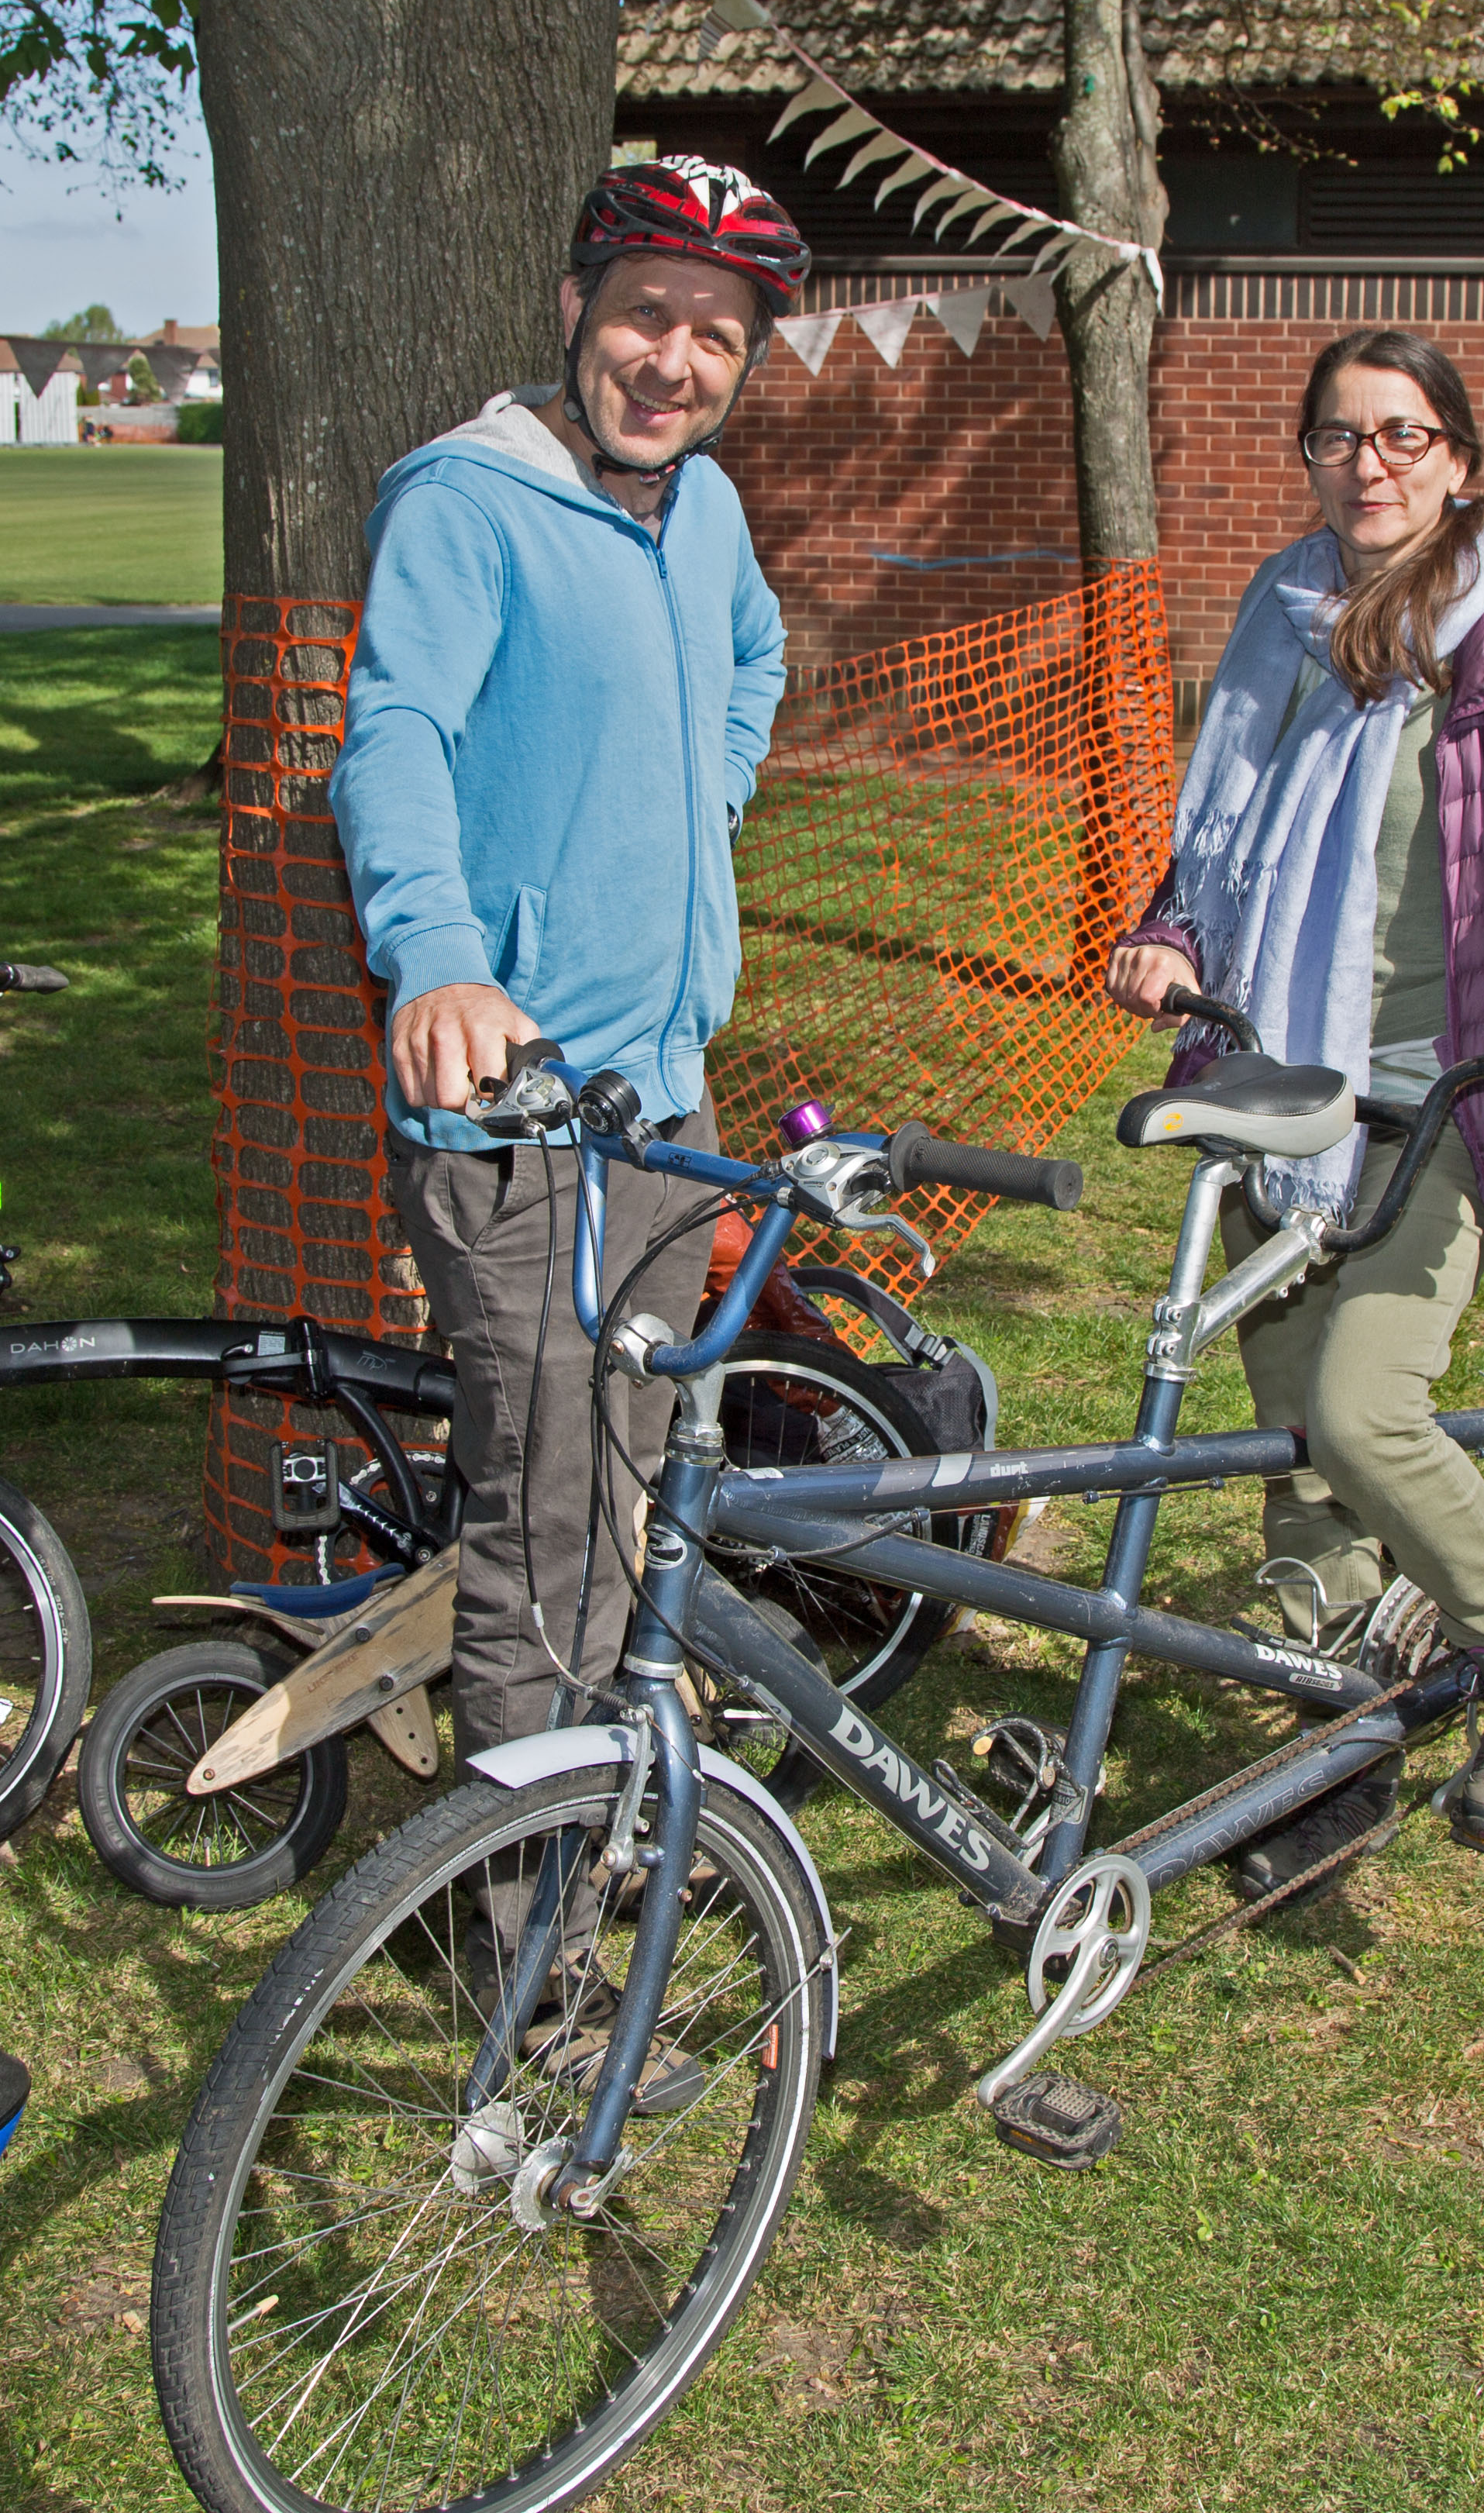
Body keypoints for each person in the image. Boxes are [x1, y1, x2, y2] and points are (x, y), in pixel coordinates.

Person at [1107, 327, 1484, 1875]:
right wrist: (1170, 934)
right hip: (1281, 1072)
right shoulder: (1282, 614)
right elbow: (1224, 830)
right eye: (1337, 437)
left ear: (1454, 460)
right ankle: (1339, 1738)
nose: (1366, 464)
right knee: (1297, 1438)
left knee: (1363, 1404)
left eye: (1400, 435)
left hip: (1455, 1085)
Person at [332, 157, 808, 2082]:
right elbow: (396, 734)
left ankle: (585, 1829)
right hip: (517, 1119)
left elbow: (751, 660)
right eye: (643, 317)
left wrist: (700, 812)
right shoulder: (468, 503)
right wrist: (443, 951)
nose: (670, 362)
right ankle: (528, 1968)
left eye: (714, 335)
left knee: (618, 1504)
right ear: (571, 304)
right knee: (542, 1538)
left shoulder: (702, 517)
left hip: (664, 1105)